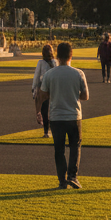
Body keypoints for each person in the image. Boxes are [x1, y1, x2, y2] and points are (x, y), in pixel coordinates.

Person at [39, 41, 88, 190]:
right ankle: (73, 176)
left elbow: (43, 94)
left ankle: (62, 180)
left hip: (56, 116)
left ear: (57, 56)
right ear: (71, 55)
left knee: (59, 149)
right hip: (74, 115)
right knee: (75, 147)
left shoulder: (49, 74)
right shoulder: (78, 73)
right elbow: (85, 96)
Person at [31, 43, 56, 139]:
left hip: (43, 88)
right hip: (54, 88)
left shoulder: (40, 63)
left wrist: (34, 89)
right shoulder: (55, 62)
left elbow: (36, 77)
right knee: (53, 110)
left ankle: (46, 132)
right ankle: (54, 130)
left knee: (44, 111)